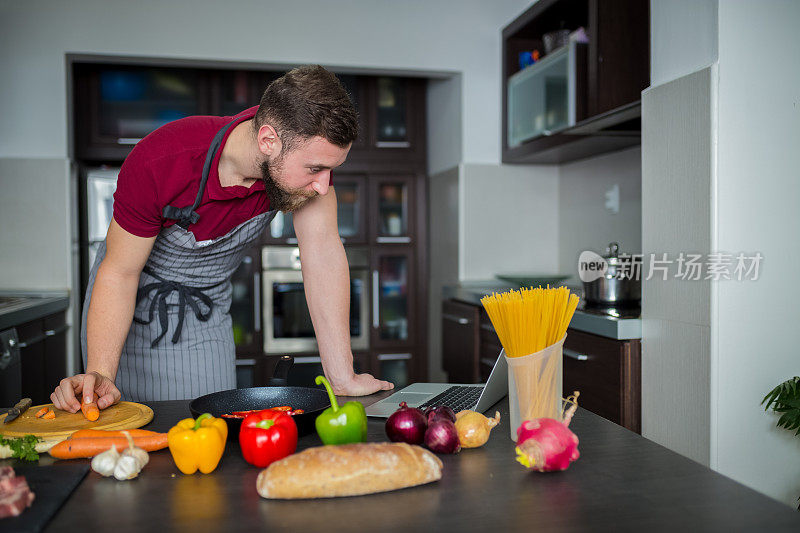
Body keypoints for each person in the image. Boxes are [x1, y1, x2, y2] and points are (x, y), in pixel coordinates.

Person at [51, 65, 393, 414]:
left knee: (211, 421)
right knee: (121, 422)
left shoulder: (304, 168)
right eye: (315, 169)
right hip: (129, 305)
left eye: (331, 169)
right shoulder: (162, 160)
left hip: (205, 307)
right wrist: (99, 371)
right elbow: (120, 272)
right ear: (268, 140)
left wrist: (341, 376)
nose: (324, 184)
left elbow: (322, 255)